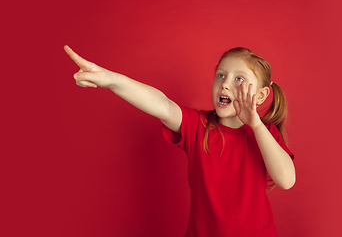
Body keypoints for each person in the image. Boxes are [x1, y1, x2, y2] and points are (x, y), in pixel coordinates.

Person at [64, 45, 295, 237]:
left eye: (239, 79)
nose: (225, 83)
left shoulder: (265, 133)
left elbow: (286, 180)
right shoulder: (199, 126)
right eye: (221, 75)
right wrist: (112, 80)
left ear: (262, 95)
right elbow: (162, 104)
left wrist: (255, 125)